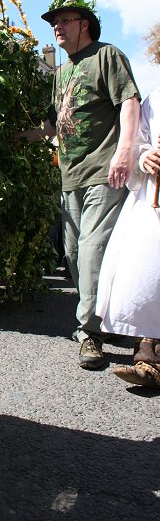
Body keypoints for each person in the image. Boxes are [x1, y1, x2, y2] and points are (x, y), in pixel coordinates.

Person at [23, 0, 141, 370]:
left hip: (105, 171)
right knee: (73, 253)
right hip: (69, 175)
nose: (56, 27)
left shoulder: (108, 57)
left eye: (64, 20)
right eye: (53, 23)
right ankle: (108, 317)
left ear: (84, 23)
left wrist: (125, 152)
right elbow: (50, 126)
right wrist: (11, 136)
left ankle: (88, 333)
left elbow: (130, 101)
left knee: (91, 249)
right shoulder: (60, 72)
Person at [96, 24, 160, 388]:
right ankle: (146, 346)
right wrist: (145, 157)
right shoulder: (155, 99)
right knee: (148, 274)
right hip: (154, 199)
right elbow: (137, 142)